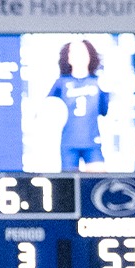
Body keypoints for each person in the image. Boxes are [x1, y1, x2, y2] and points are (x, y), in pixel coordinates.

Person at [49, 40, 110, 172]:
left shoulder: (97, 82)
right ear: (68, 57)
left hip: (92, 142)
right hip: (69, 143)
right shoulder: (61, 83)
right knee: (69, 184)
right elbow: (49, 110)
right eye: (74, 52)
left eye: (82, 52)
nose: (79, 56)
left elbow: (104, 111)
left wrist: (105, 92)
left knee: (97, 181)